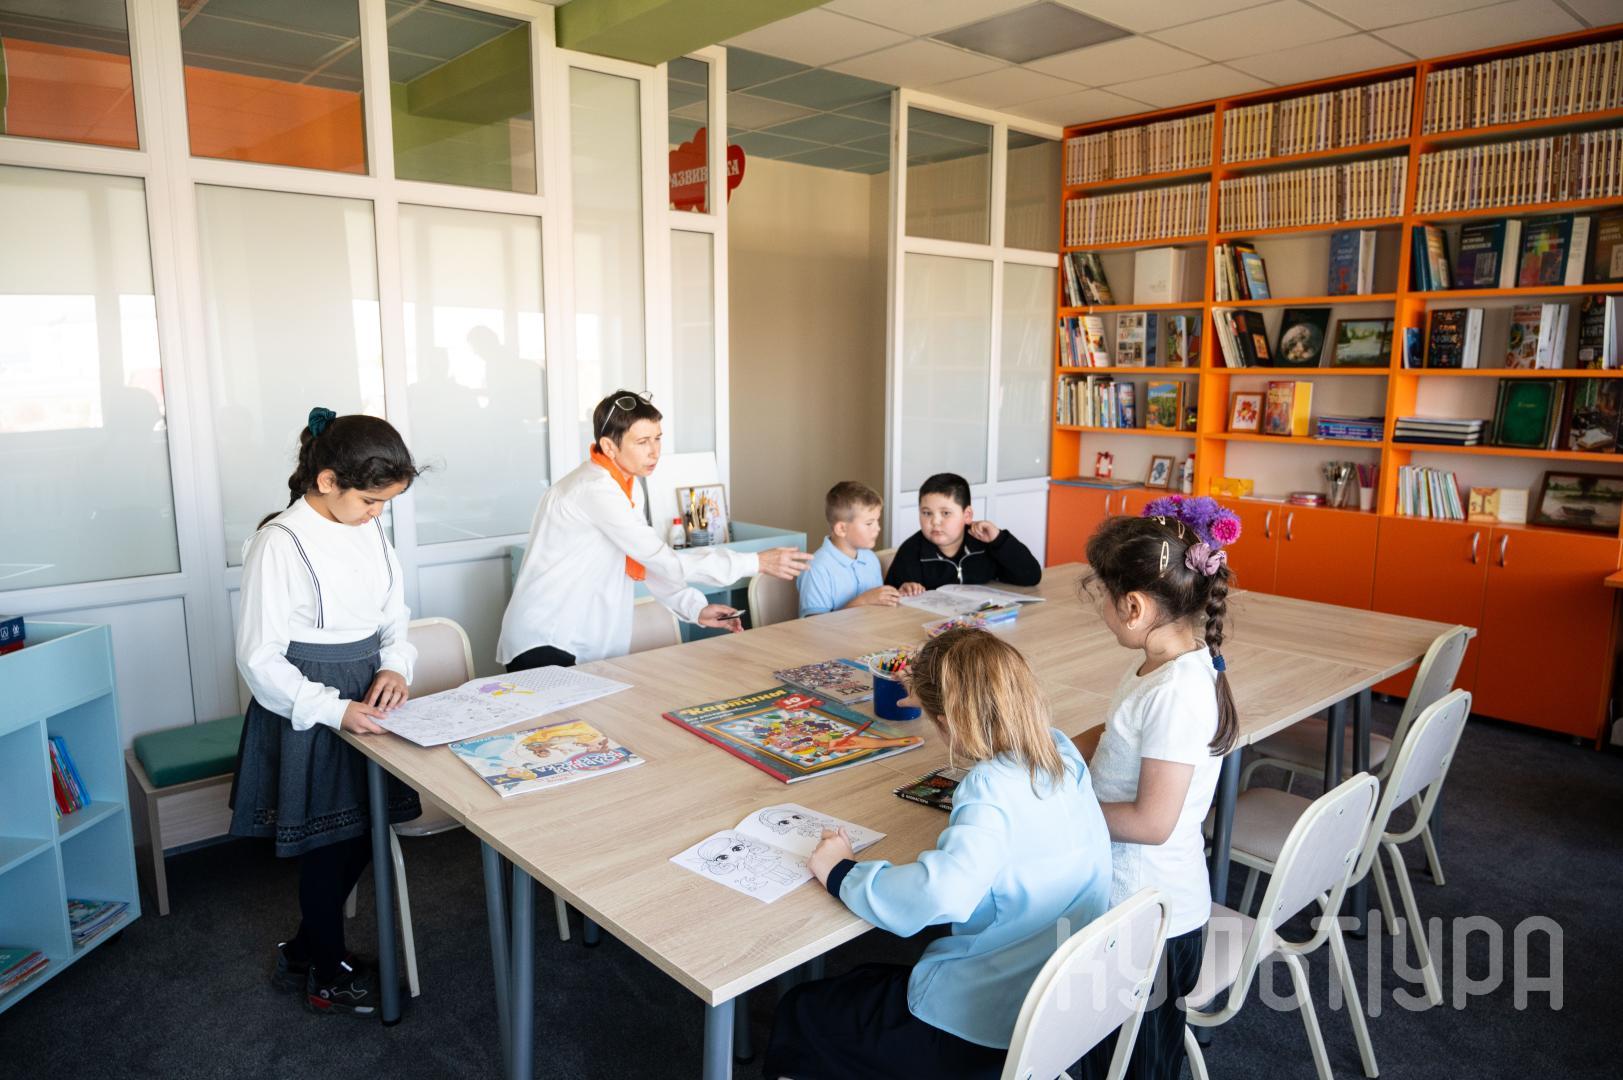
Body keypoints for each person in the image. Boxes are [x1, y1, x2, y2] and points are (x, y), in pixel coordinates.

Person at [765, 627, 1113, 1079]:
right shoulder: (1061, 754)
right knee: (867, 977)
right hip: (1056, 1015)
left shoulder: (990, 786)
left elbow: (943, 893)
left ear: (948, 723)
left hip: (982, 1031)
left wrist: (841, 872)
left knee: (801, 1008)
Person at [230, 408, 425, 1017]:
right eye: (370, 500)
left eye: (385, 503)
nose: (377, 514)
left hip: (367, 690)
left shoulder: (368, 528)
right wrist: (333, 711)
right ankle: (326, 973)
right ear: (327, 481)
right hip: (311, 704)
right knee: (328, 842)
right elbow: (259, 658)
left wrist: (396, 666)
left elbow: (395, 616)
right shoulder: (279, 542)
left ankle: (305, 950)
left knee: (366, 829)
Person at [1074, 496, 1241, 1080]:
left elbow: (1152, 822)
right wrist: (1055, 750)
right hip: (1140, 910)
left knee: (1136, 1066)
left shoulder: (1177, 692)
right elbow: (1119, 729)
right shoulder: (1161, 661)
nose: (1102, 609)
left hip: (1148, 922)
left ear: (1135, 606)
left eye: (1103, 595)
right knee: (1112, 1056)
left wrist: (1065, 809)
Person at [497, 390, 812, 671]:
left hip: (581, 640)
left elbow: (644, 562)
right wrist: (755, 562)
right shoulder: (594, 490)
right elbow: (664, 561)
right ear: (609, 446)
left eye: (657, 438)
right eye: (642, 442)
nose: (654, 451)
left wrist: (696, 608)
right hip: (547, 639)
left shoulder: (628, 485)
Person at [884, 472, 1041, 595]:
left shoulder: (984, 543)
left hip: (983, 619)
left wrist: (999, 540)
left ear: (967, 515)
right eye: (927, 513)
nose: (935, 521)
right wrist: (903, 589)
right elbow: (891, 596)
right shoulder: (911, 551)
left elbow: (1030, 577)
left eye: (945, 513)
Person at [797, 480, 899, 617]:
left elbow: (879, 607)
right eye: (869, 523)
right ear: (841, 529)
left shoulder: (870, 558)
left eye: (877, 521)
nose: (878, 528)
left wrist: (898, 595)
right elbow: (815, 623)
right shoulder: (816, 569)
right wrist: (863, 601)